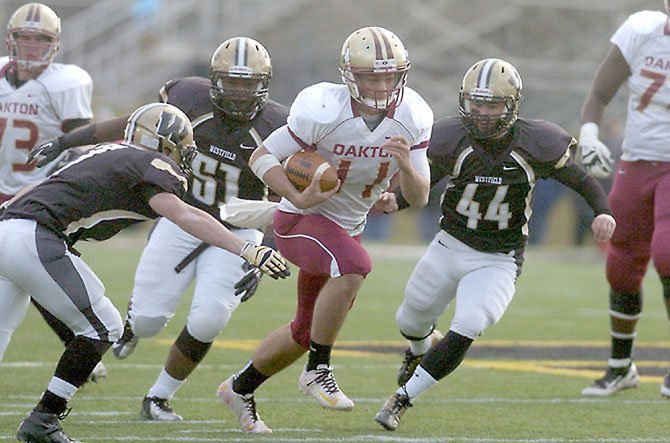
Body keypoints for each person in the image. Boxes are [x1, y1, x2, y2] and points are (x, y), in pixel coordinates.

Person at [32, 36, 289, 421]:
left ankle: (158, 398)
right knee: (150, 321)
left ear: (263, 84)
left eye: (247, 83)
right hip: (182, 217)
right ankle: (135, 325)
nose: (238, 92)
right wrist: (68, 141)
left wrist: (269, 247)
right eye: (230, 81)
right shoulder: (189, 97)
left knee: (209, 318)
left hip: (239, 230)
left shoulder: (280, 126)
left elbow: (289, 197)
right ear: (214, 80)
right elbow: (134, 123)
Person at [372, 58, 616, 432]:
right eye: (477, 104)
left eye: (493, 105)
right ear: (465, 102)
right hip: (448, 246)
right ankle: (420, 348)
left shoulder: (536, 142)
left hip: (498, 260)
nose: (483, 114)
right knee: (409, 320)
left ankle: (403, 397)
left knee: (469, 322)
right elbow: (427, 180)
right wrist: (395, 200)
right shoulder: (451, 136)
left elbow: (581, 179)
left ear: (512, 105)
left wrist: (602, 211)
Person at [217, 26, 433, 433]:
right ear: (350, 74)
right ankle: (318, 370)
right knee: (353, 266)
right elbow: (263, 157)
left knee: (304, 330)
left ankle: (240, 388)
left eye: (389, 75)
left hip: (347, 226)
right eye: (371, 76)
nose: (381, 84)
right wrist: (296, 198)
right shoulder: (323, 109)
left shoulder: (414, 114)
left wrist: (404, 168)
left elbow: (418, 198)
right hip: (300, 221)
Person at [0, 2, 111, 382]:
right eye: (25, 38)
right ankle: (83, 343)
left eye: (41, 39)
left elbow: (82, 142)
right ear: (10, 40)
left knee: (35, 275)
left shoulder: (67, 81)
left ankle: (83, 341)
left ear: (56, 44)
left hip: (38, 197)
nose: (32, 46)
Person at [577, 1, 670, 397]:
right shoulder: (642, 30)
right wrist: (589, 135)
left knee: (667, 253)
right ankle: (620, 366)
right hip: (636, 161)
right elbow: (599, 94)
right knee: (620, 262)